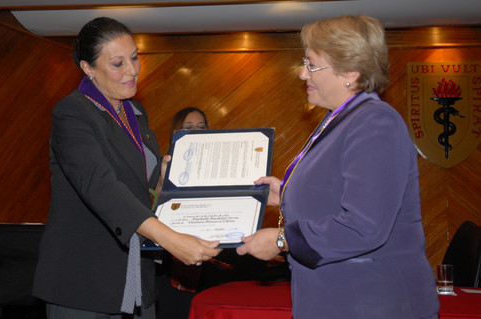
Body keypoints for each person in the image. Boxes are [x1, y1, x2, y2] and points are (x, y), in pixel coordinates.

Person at [236, 15, 439, 319]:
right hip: (338, 300)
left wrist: (282, 241)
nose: (303, 74)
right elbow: (336, 191)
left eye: (312, 64)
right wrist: (287, 193)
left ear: (350, 72)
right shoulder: (341, 119)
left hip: (373, 303)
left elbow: (363, 226)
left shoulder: (375, 122)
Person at [32, 17, 221, 319]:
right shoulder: (73, 112)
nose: (132, 70)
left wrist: (161, 184)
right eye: (118, 63)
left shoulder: (134, 111)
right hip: (85, 281)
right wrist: (169, 239)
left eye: (134, 58)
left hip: (136, 277)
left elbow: (141, 188)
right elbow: (100, 186)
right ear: (88, 68)